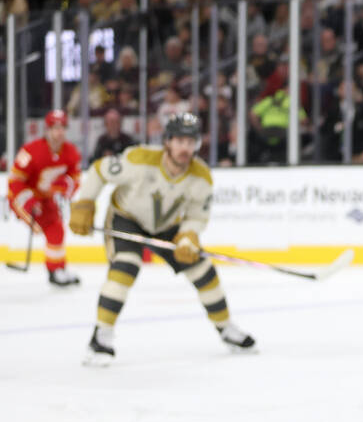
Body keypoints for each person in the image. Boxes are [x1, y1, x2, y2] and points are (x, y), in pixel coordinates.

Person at [68, 113, 256, 366]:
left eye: (191, 142)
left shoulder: (201, 177)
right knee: (126, 265)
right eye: (179, 141)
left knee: (203, 270)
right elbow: (100, 170)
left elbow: (196, 216)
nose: (185, 148)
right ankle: (101, 336)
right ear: (167, 141)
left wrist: (189, 236)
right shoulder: (139, 159)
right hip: (127, 218)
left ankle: (226, 328)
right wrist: (85, 203)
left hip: (167, 226)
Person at [6, 110, 83, 286]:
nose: (60, 132)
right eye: (55, 127)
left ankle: (57, 270)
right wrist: (29, 201)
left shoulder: (70, 152)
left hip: (45, 199)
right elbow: (15, 181)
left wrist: (65, 187)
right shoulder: (31, 151)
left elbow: (76, 179)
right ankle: (55, 270)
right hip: (21, 197)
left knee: (57, 229)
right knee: (47, 228)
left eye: (63, 127)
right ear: (47, 130)